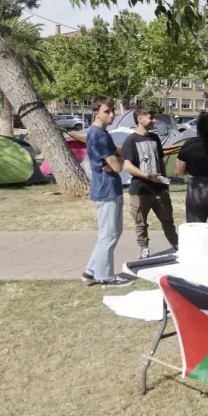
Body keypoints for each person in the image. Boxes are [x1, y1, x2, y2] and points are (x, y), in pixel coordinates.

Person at [81, 96, 132, 287]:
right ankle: (105, 277)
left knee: (112, 232)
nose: (111, 115)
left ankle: (91, 271)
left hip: (111, 187)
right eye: (106, 111)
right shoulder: (98, 135)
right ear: (97, 113)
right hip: (106, 189)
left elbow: (116, 162)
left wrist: (116, 158)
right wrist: (117, 159)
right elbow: (118, 166)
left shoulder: (102, 133)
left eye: (112, 110)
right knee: (108, 235)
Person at [120, 106, 177, 259]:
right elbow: (127, 166)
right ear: (140, 119)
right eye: (151, 117)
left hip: (160, 189)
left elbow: (160, 161)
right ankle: (144, 249)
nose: (154, 120)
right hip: (140, 190)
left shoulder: (155, 138)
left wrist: (165, 182)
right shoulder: (130, 140)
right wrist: (148, 176)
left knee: (168, 220)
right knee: (141, 223)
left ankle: (177, 246)